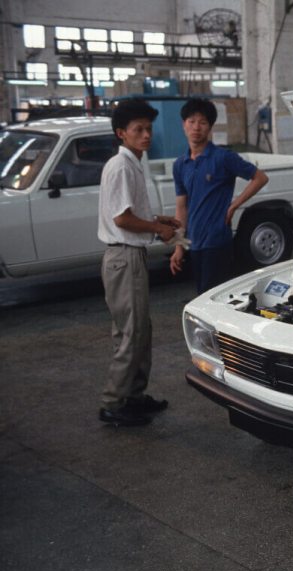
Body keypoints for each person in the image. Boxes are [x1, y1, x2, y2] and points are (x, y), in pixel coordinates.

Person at [97, 99, 181, 426]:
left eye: (148, 129)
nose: (146, 135)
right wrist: (156, 229)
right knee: (131, 333)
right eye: (138, 130)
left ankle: (133, 395)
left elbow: (131, 212)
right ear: (122, 133)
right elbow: (121, 219)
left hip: (131, 256)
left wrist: (160, 219)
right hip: (124, 257)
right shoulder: (120, 166)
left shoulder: (133, 162)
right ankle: (114, 403)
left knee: (140, 330)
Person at [169, 98, 269, 293]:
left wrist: (234, 205)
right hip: (194, 243)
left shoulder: (223, 157)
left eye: (203, 122)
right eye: (191, 121)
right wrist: (178, 245)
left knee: (212, 295)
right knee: (202, 294)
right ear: (183, 125)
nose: (196, 127)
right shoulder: (180, 165)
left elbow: (260, 178)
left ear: (210, 127)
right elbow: (181, 208)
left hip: (216, 242)